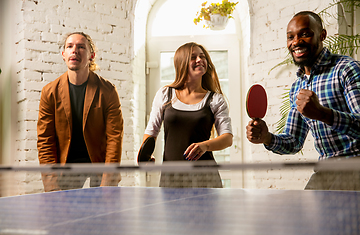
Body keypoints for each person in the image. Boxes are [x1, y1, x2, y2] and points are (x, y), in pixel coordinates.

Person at [246, 11, 360, 190]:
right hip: (325, 170)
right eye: (290, 37)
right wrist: (267, 138)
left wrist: (323, 114)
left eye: (305, 34)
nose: (296, 42)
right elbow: (293, 141)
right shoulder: (296, 88)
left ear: (322, 35)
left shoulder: (346, 69)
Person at [37, 32, 124, 192]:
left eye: (81, 47)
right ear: (64, 55)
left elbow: (114, 139)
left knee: (103, 215)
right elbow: (45, 141)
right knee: (63, 215)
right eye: (69, 46)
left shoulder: (108, 91)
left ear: (92, 55)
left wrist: (107, 183)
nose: (74, 50)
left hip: (100, 164)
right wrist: (51, 185)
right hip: (66, 166)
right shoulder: (49, 92)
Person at [141, 42, 233, 188]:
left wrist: (204, 146)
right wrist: (145, 156)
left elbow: (227, 139)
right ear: (181, 63)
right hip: (171, 176)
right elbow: (151, 132)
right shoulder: (165, 94)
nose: (199, 60)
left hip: (206, 178)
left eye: (202, 56)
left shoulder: (215, 99)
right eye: (193, 57)